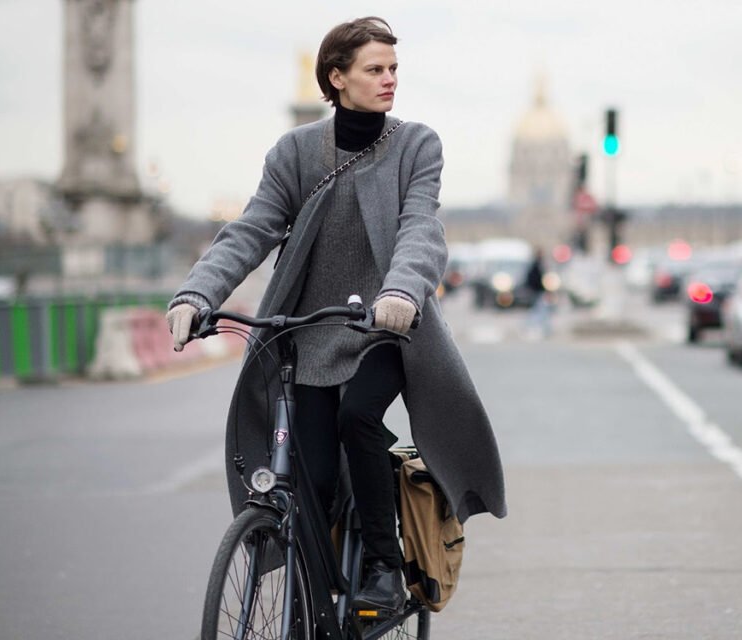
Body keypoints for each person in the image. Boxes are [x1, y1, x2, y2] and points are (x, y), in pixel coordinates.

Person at [165, 17, 506, 613]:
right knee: (312, 479)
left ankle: (382, 564)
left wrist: (402, 292)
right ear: (337, 78)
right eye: (375, 69)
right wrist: (195, 295)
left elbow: (420, 229)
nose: (389, 79)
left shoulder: (416, 145)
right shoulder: (295, 152)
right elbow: (252, 229)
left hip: (385, 329)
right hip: (307, 333)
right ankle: (313, 599)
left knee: (358, 417)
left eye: (393, 69)